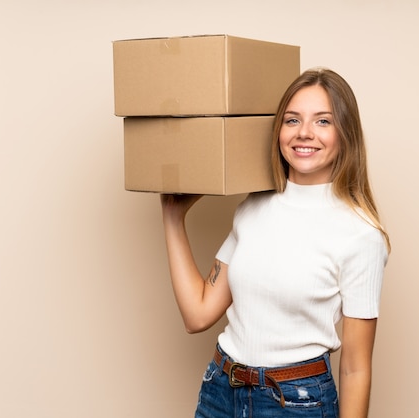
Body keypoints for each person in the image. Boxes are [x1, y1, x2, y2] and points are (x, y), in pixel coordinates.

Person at [160, 67, 390, 418]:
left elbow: (356, 368)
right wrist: (173, 217)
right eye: (292, 120)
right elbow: (198, 313)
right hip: (220, 393)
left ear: (346, 133)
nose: (305, 133)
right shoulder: (253, 206)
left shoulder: (360, 234)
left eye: (323, 121)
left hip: (296, 403)